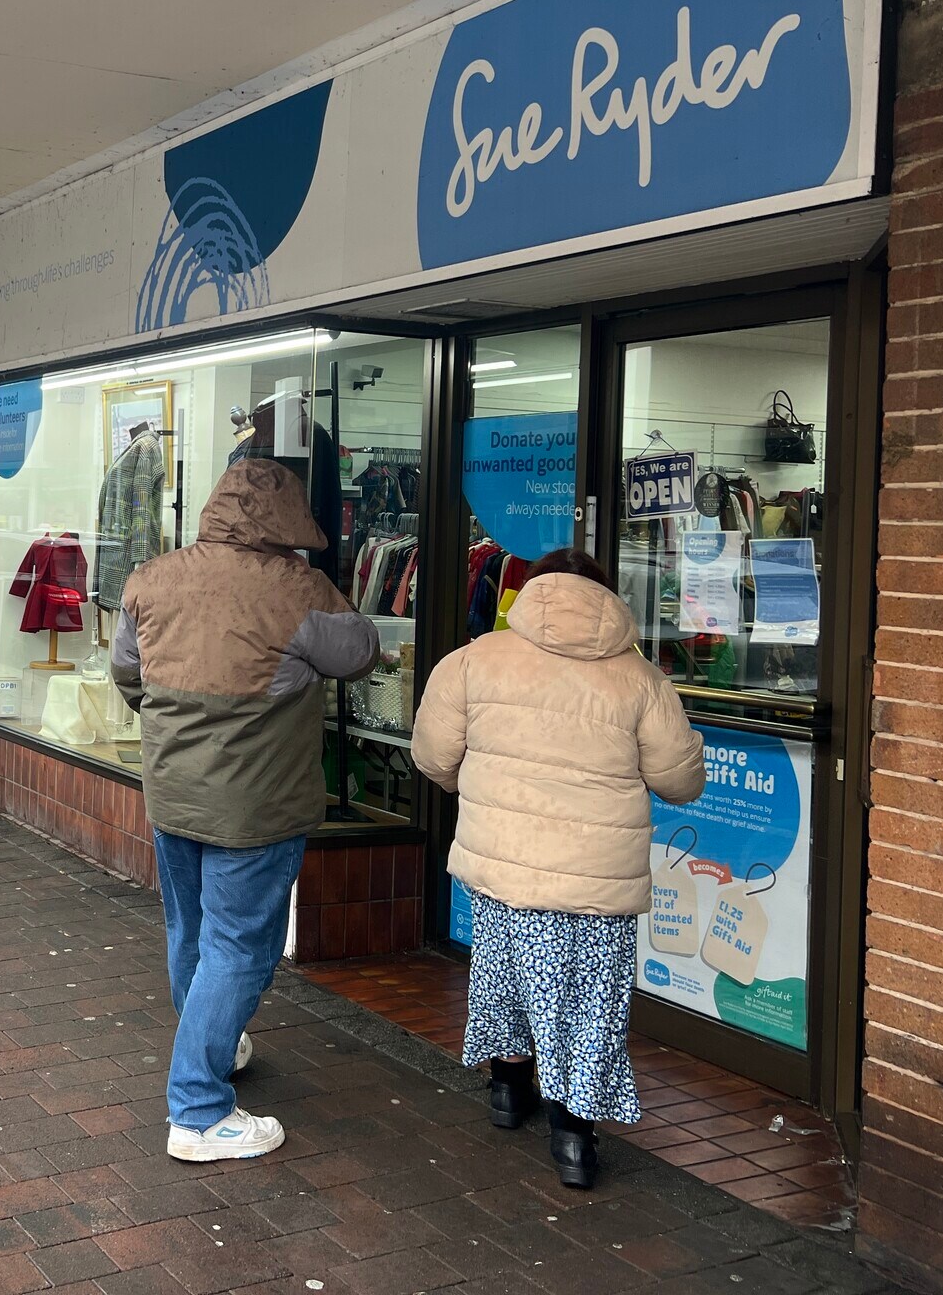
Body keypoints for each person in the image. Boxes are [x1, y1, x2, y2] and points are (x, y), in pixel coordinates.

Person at [110, 459, 379, 1162]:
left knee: (190, 929)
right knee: (238, 946)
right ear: (289, 520)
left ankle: (214, 1043)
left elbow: (127, 675)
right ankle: (198, 1112)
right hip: (257, 805)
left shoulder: (151, 578)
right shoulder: (299, 589)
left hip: (171, 791)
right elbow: (360, 653)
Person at [412, 547, 704, 1191]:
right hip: (598, 877)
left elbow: (433, 757)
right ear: (605, 599)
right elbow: (681, 781)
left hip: (503, 864)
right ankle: (574, 1139)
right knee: (591, 1004)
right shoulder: (640, 678)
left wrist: (489, 782)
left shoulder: (474, 660)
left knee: (505, 980)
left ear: (531, 592)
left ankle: (509, 1092)